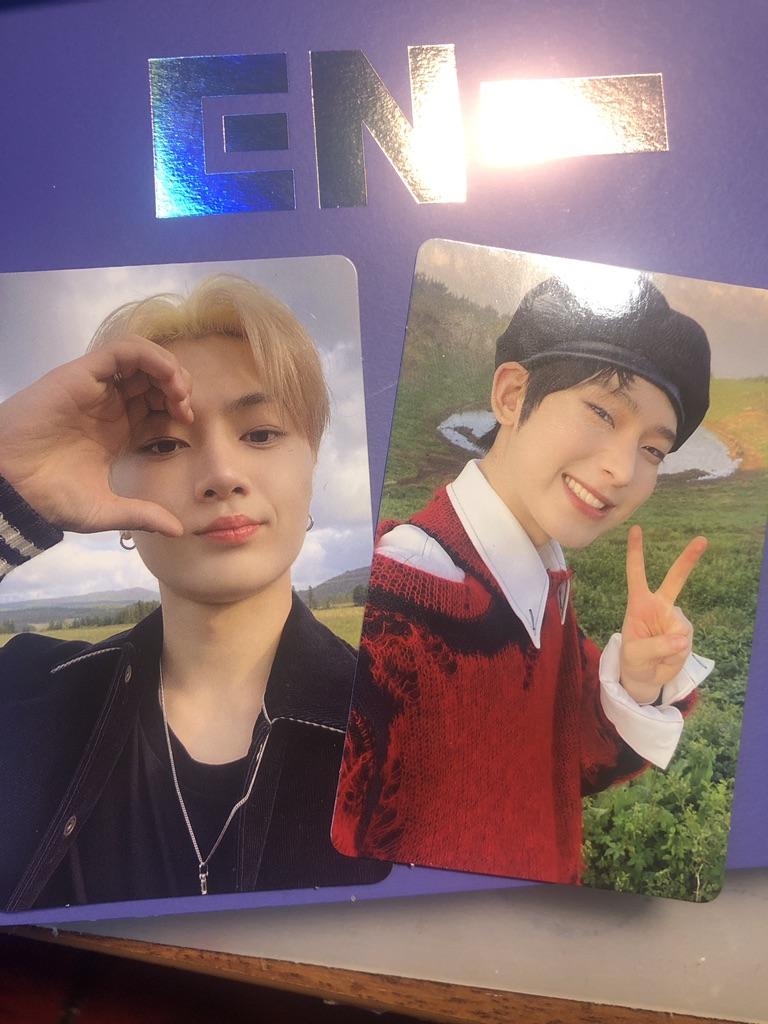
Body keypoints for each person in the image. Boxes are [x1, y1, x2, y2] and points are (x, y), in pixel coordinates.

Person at [0, 274, 388, 912]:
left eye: (260, 434)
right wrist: (9, 484)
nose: (221, 475)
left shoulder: (412, 730)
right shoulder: (24, 694)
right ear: (114, 487)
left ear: (312, 463)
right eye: (163, 444)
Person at [332, 276, 714, 884]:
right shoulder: (396, 609)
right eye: (601, 412)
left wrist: (638, 681)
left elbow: (561, 764)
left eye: (652, 450)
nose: (622, 470)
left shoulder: (544, 579)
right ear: (512, 396)